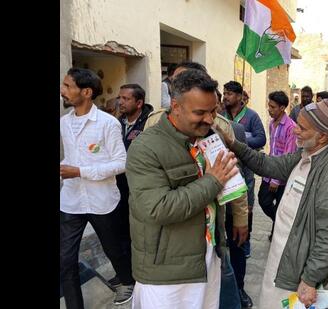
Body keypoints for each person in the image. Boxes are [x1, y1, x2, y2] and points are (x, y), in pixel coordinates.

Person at [217, 99, 328, 308]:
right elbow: (267, 164)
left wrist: (309, 279)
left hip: (298, 273)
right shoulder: (304, 155)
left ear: (323, 136)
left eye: (302, 128)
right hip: (281, 261)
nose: (295, 131)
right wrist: (235, 145)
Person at [126, 69, 240, 309]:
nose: (210, 119)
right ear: (175, 107)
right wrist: (213, 181)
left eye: (213, 110)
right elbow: (158, 208)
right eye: (200, 112)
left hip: (207, 257)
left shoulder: (209, 135)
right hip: (168, 273)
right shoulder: (146, 148)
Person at [60, 68, 134, 308]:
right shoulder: (64, 123)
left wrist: (80, 171)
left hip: (102, 201)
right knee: (65, 259)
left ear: (87, 92)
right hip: (71, 200)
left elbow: (121, 163)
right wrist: (65, 167)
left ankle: (127, 281)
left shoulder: (108, 124)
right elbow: (71, 157)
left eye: (67, 86)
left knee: (113, 250)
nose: (62, 90)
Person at [222, 80, 265, 306]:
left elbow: (261, 139)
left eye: (230, 94)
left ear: (241, 96)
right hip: (206, 206)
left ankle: (239, 288)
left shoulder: (242, 123)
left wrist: (240, 139)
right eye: (224, 93)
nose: (226, 97)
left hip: (239, 189)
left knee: (238, 242)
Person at [106, 84, 153, 287]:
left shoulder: (149, 124)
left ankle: (143, 273)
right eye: (120, 98)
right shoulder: (117, 123)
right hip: (118, 187)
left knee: (140, 234)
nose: (120, 102)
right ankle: (127, 274)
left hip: (141, 187)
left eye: (126, 98)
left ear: (139, 102)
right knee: (120, 232)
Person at [258, 91, 297, 241]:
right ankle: (282, 226)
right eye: (269, 106)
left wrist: (276, 180)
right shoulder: (271, 124)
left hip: (282, 177)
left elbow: (288, 157)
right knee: (263, 201)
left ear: (282, 108)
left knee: (280, 207)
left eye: (273, 107)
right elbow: (273, 150)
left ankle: (278, 233)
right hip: (269, 171)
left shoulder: (291, 128)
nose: (269, 109)